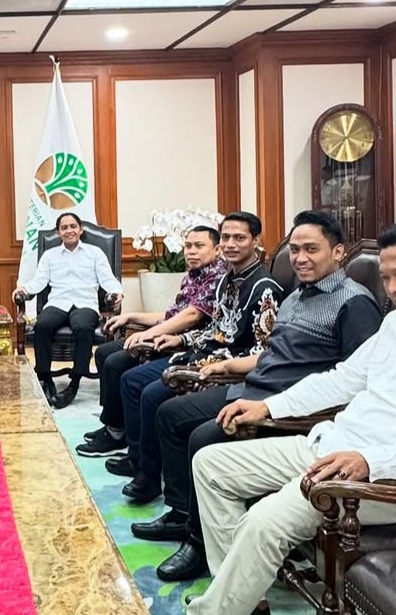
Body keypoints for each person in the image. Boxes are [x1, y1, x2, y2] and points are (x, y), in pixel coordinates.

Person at [186, 220, 396, 615]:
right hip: (330, 446)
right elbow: (341, 380)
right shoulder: (395, 323)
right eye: (386, 277)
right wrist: (269, 407)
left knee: (264, 520)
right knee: (211, 465)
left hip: (388, 477)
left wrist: (370, 461)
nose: (391, 290)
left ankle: (215, 610)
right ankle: (241, 599)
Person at [142, 210, 383, 582]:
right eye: (296, 250)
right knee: (170, 413)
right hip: (252, 387)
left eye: (311, 250)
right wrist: (231, 368)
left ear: (338, 253)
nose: (300, 259)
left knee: (202, 437)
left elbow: (354, 381)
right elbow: (272, 354)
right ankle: (181, 514)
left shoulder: (354, 303)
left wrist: (273, 406)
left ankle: (199, 544)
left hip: (288, 407)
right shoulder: (295, 297)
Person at [106, 211, 284, 504]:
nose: (230, 244)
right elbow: (213, 329)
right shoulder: (227, 280)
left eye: (239, 238)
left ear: (256, 241)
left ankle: (155, 483)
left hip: (225, 370)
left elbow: (262, 352)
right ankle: (146, 470)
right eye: (226, 237)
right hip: (201, 353)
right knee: (137, 381)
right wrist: (180, 339)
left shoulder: (264, 289)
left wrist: (218, 365)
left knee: (152, 394)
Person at [77, 225, 225, 457]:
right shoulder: (192, 275)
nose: (191, 251)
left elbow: (193, 315)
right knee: (104, 353)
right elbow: (170, 315)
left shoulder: (217, 276)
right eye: (188, 246)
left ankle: (117, 433)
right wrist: (131, 316)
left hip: (186, 344)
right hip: (169, 333)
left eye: (199, 246)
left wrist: (149, 334)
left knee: (117, 364)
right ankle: (116, 425)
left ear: (217, 250)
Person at [13, 212, 123, 408]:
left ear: (80, 230)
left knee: (83, 327)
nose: (69, 230)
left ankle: (74, 383)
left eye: (73, 226)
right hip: (58, 302)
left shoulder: (95, 253)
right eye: (64, 227)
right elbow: (39, 281)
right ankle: (45, 379)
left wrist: (117, 292)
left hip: (85, 304)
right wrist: (24, 289)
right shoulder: (50, 255)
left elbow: (108, 278)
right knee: (43, 325)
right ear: (58, 232)